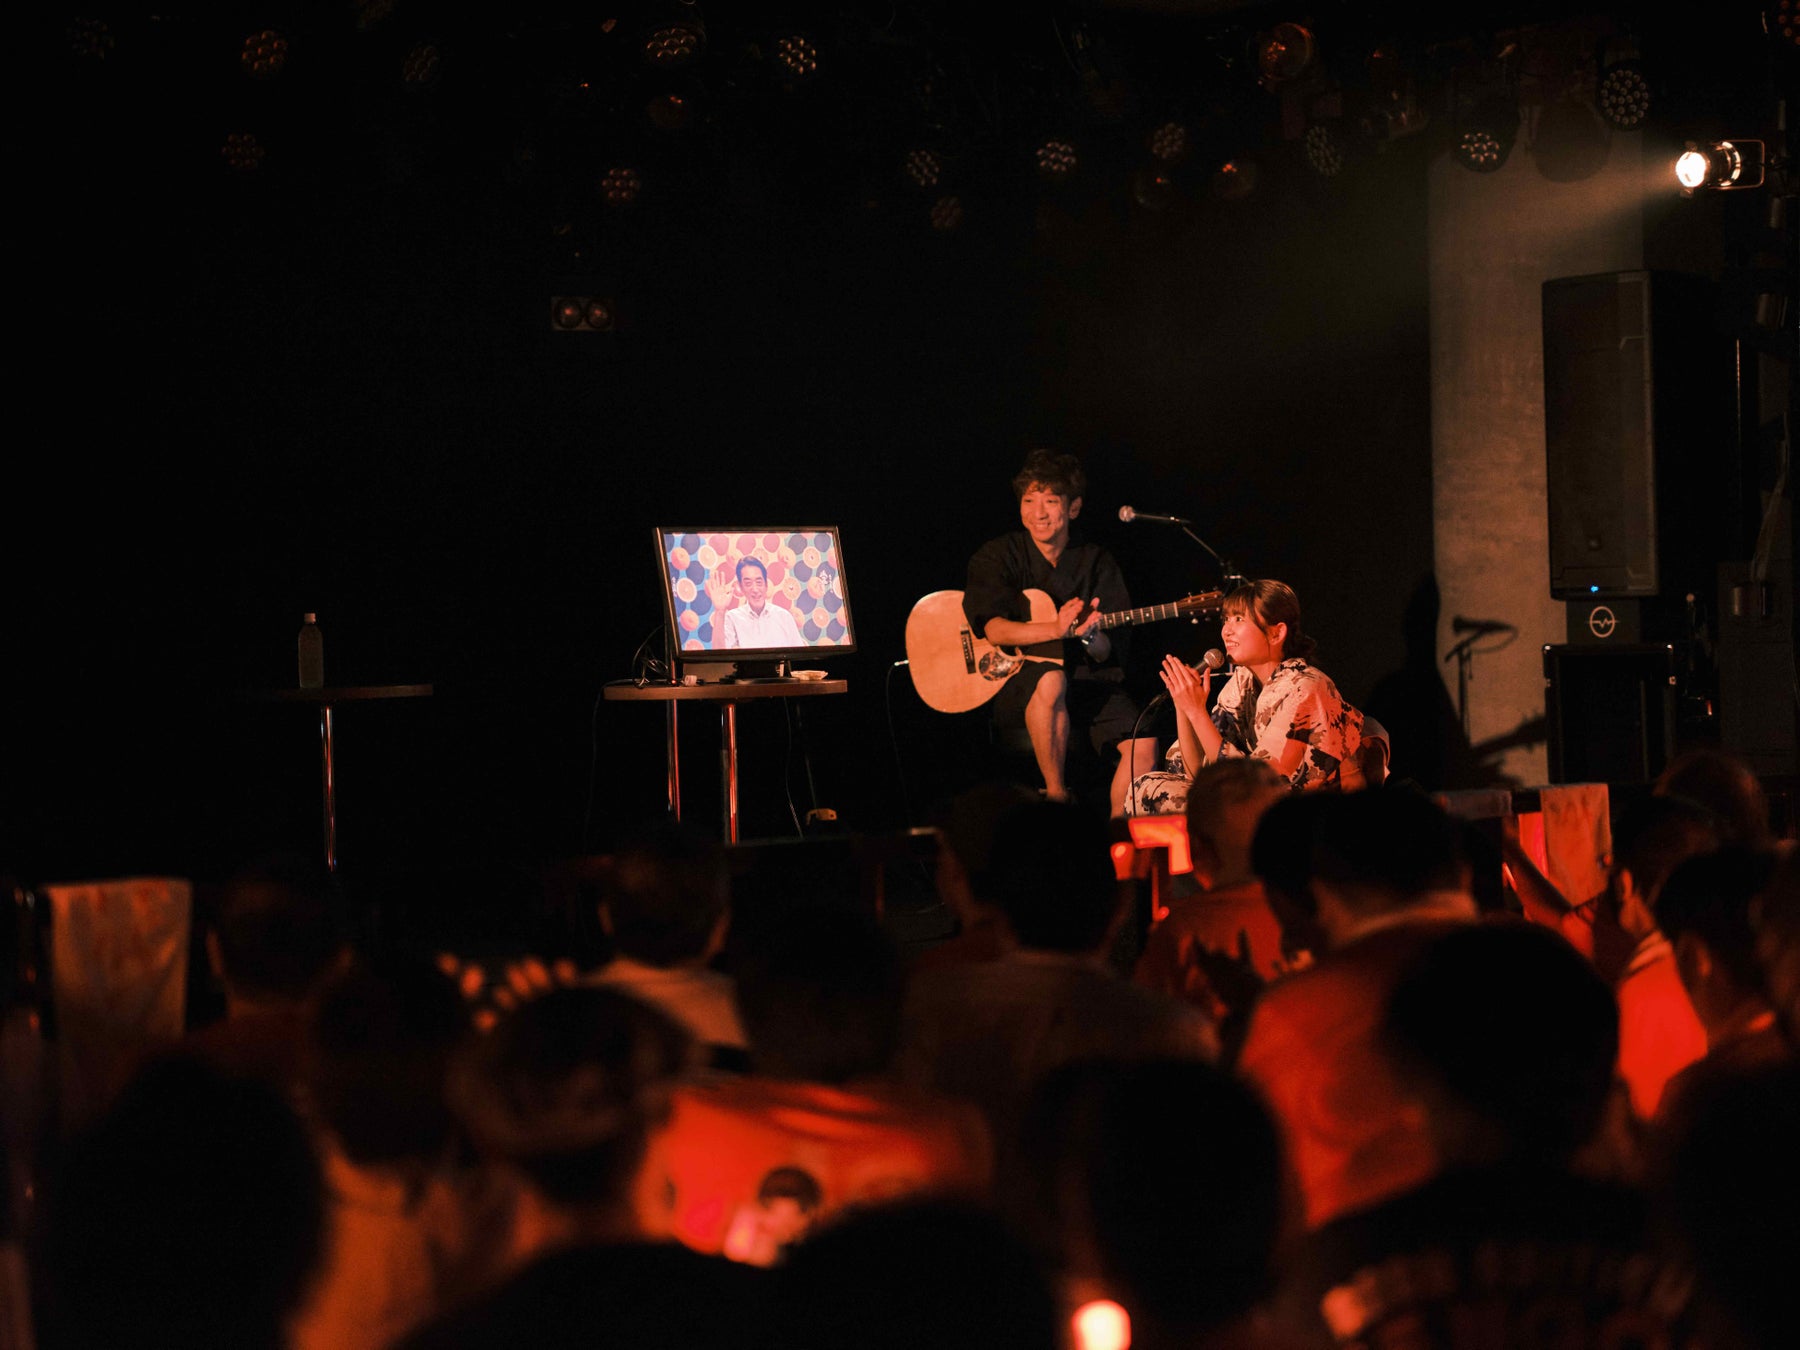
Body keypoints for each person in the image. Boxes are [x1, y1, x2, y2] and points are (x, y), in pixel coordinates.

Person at [962, 449, 1159, 813]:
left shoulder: (1097, 561)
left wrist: (1088, 634)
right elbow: (994, 630)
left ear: (1073, 507)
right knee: (1051, 679)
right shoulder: (998, 555)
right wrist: (1055, 627)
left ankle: (1118, 829)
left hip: (1085, 682)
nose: (1038, 513)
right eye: (1029, 501)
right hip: (1018, 682)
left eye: (1050, 501)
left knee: (1144, 741)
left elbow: (1105, 652)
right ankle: (1057, 796)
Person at [1141, 579, 1364, 801]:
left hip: (1306, 810)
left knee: (1160, 796)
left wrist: (1198, 712)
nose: (1226, 631)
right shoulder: (1242, 683)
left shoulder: (1305, 688)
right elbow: (1198, 774)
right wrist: (1184, 706)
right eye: (1226, 620)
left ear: (1276, 633)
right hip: (1252, 800)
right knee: (1147, 787)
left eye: (1239, 619)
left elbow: (1255, 787)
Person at [718, 555, 804, 650]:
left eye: (759, 582)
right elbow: (721, 654)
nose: (755, 589)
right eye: (748, 583)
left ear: (766, 585)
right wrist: (720, 611)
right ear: (741, 587)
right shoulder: (732, 618)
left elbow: (799, 654)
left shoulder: (784, 617)